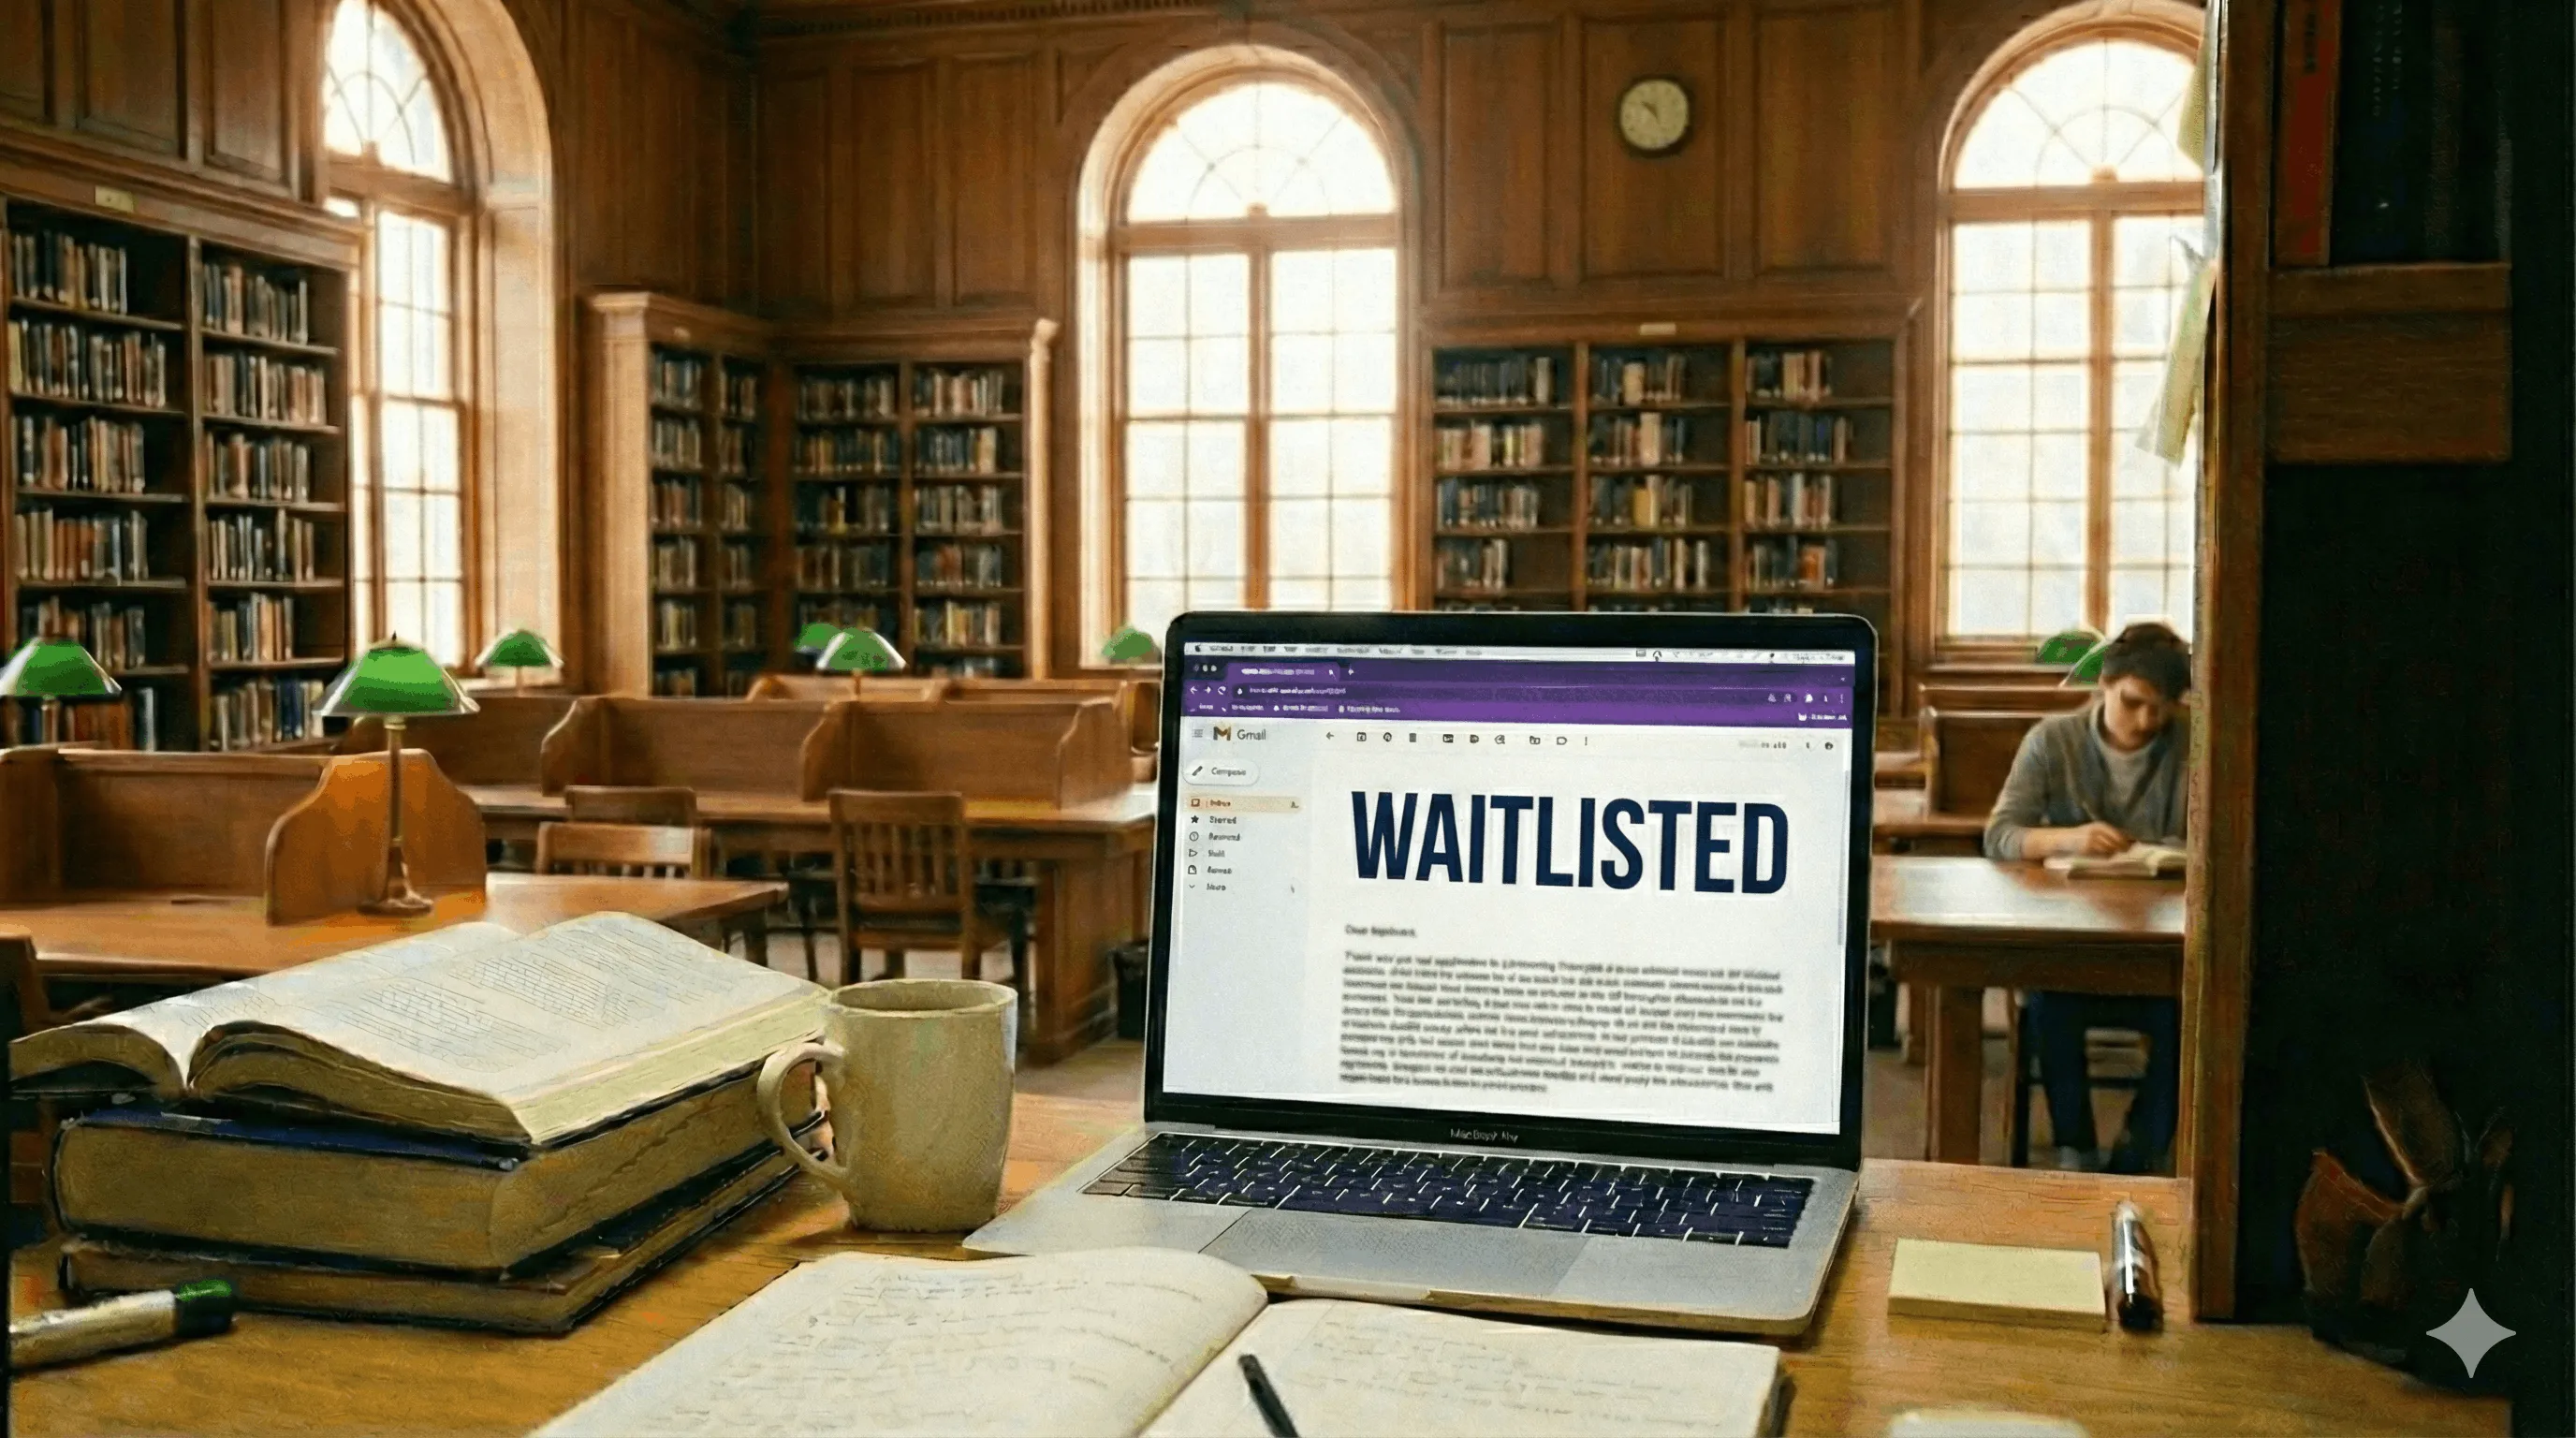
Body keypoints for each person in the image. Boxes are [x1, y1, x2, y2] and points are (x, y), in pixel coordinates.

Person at [1984, 621, 2191, 1174]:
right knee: (2051, 1005)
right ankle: (2076, 1151)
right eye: (2134, 703)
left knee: (2191, 1014)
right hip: (2071, 937)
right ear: (2104, 683)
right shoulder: (2053, 740)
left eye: (2164, 708)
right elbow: (2000, 836)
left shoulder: (2194, 742)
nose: (2148, 721)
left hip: (2162, 942)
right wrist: (2067, 838)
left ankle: (2139, 1153)